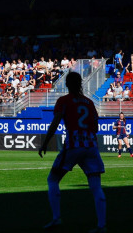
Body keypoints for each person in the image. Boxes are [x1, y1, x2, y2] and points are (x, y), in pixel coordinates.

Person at [39, 72, 106, 232]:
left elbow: (55, 122)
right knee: (96, 186)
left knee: (53, 179)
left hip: (74, 144)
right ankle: (101, 225)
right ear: (80, 84)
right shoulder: (90, 103)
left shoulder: (64, 101)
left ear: (67, 84)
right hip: (91, 145)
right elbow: (96, 128)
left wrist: (45, 143)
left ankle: (56, 218)